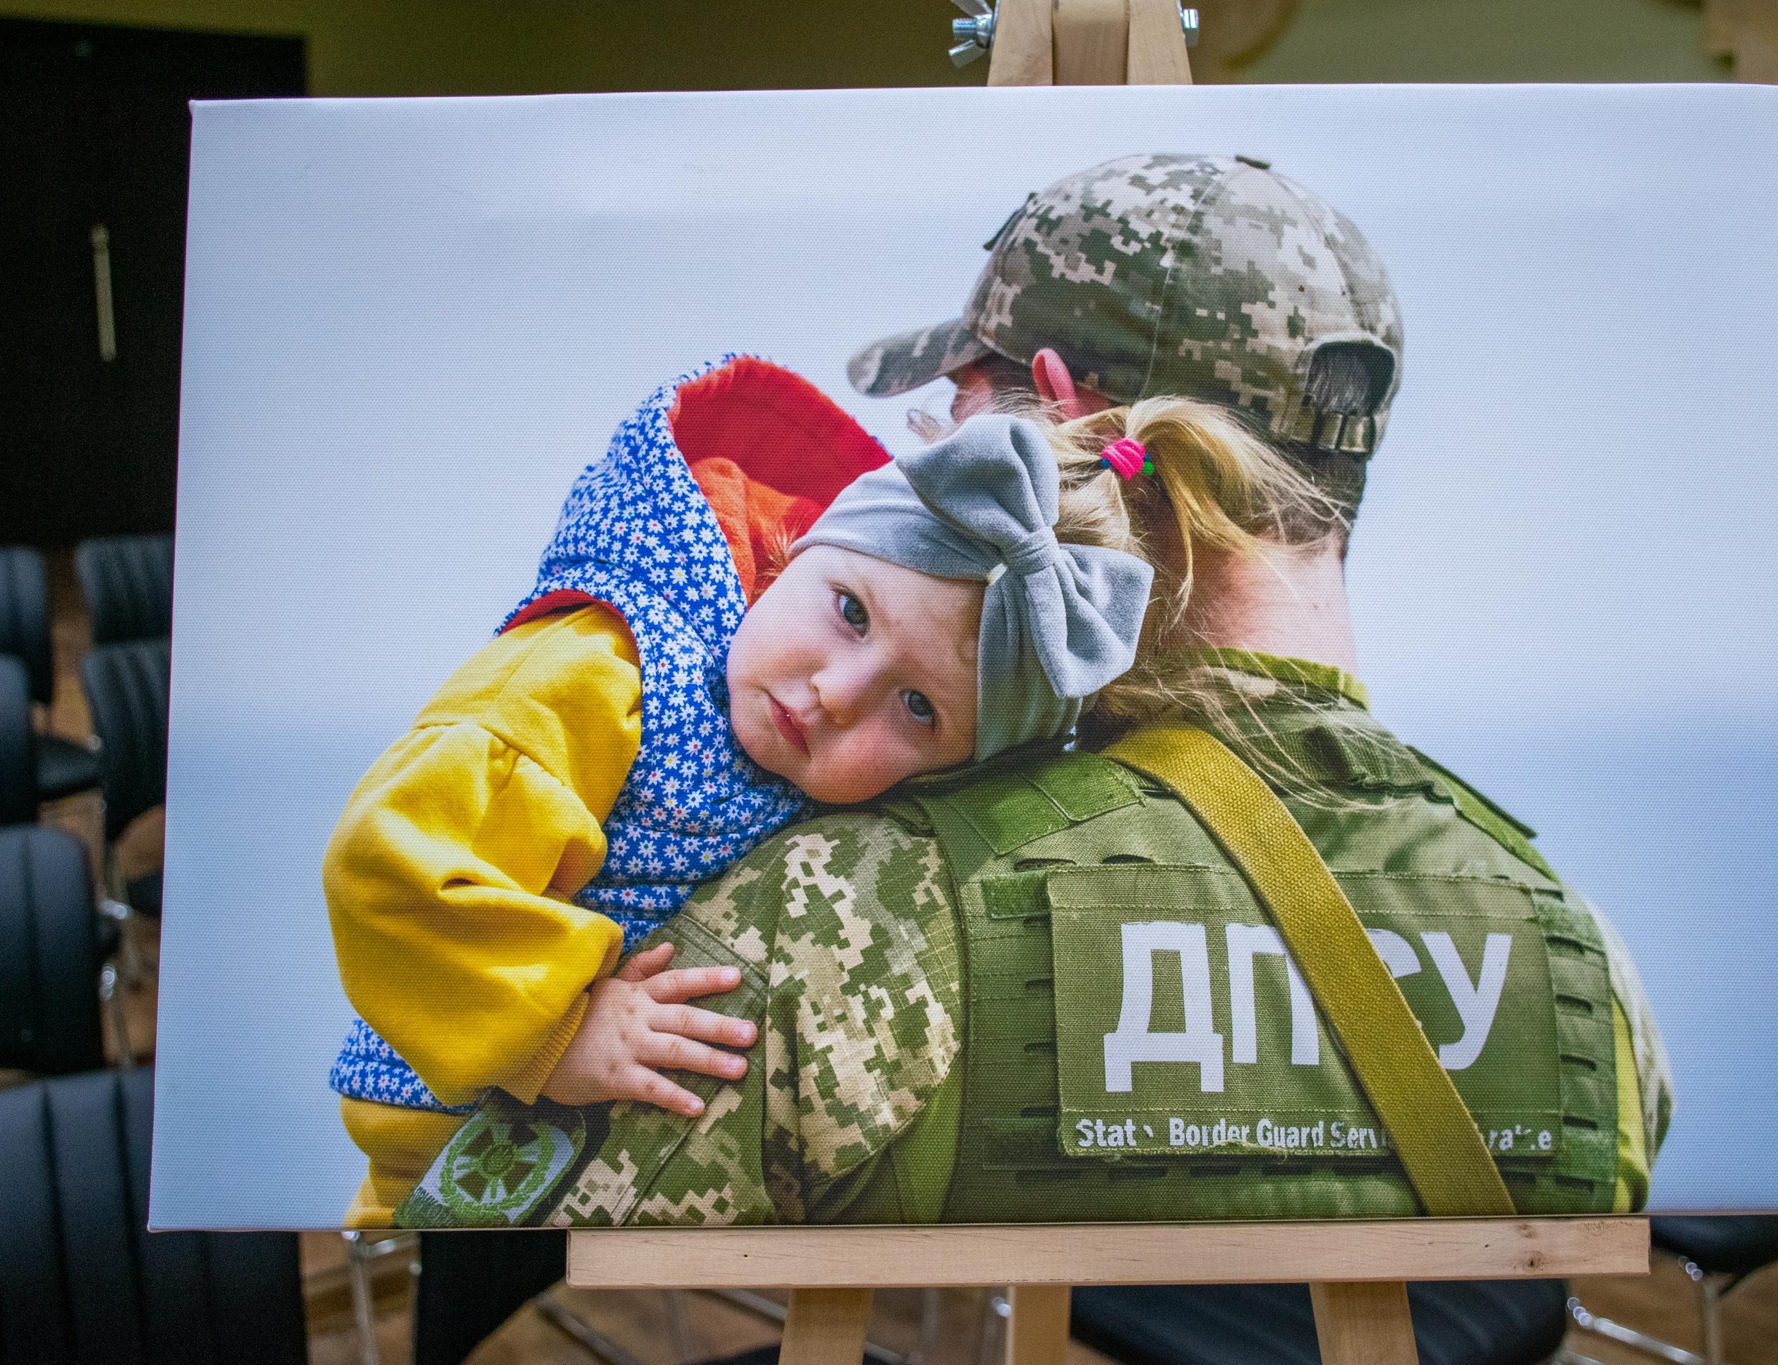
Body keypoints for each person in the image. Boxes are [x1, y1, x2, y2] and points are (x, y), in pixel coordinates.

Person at [395, 152, 1671, 1231]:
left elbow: (475, 1248)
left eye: (954, 406)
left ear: (1062, 418)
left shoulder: (845, 915)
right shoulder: (1587, 979)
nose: (920, 451)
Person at [323, 355, 1159, 1225]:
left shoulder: (827, 774)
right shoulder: (610, 668)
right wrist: (559, 1030)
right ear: (804, 543)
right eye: (851, 611)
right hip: (443, 1156)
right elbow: (390, 867)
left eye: (916, 707)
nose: (838, 691)